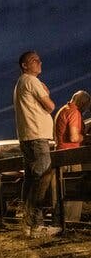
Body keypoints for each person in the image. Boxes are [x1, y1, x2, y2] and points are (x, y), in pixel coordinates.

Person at [13, 51, 60, 237]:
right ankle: (36, 225)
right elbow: (50, 106)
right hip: (37, 137)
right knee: (42, 178)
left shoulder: (20, 83)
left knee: (32, 180)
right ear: (25, 65)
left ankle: (28, 225)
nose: (39, 62)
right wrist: (46, 93)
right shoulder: (31, 81)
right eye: (34, 60)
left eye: (39, 59)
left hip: (27, 137)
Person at [54, 90, 91, 222]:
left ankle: (61, 222)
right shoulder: (74, 113)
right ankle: (71, 223)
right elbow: (74, 137)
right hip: (70, 156)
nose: (86, 109)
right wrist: (86, 137)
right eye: (87, 106)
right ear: (83, 102)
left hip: (60, 155)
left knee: (62, 193)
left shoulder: (63, 109)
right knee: (73, 193)